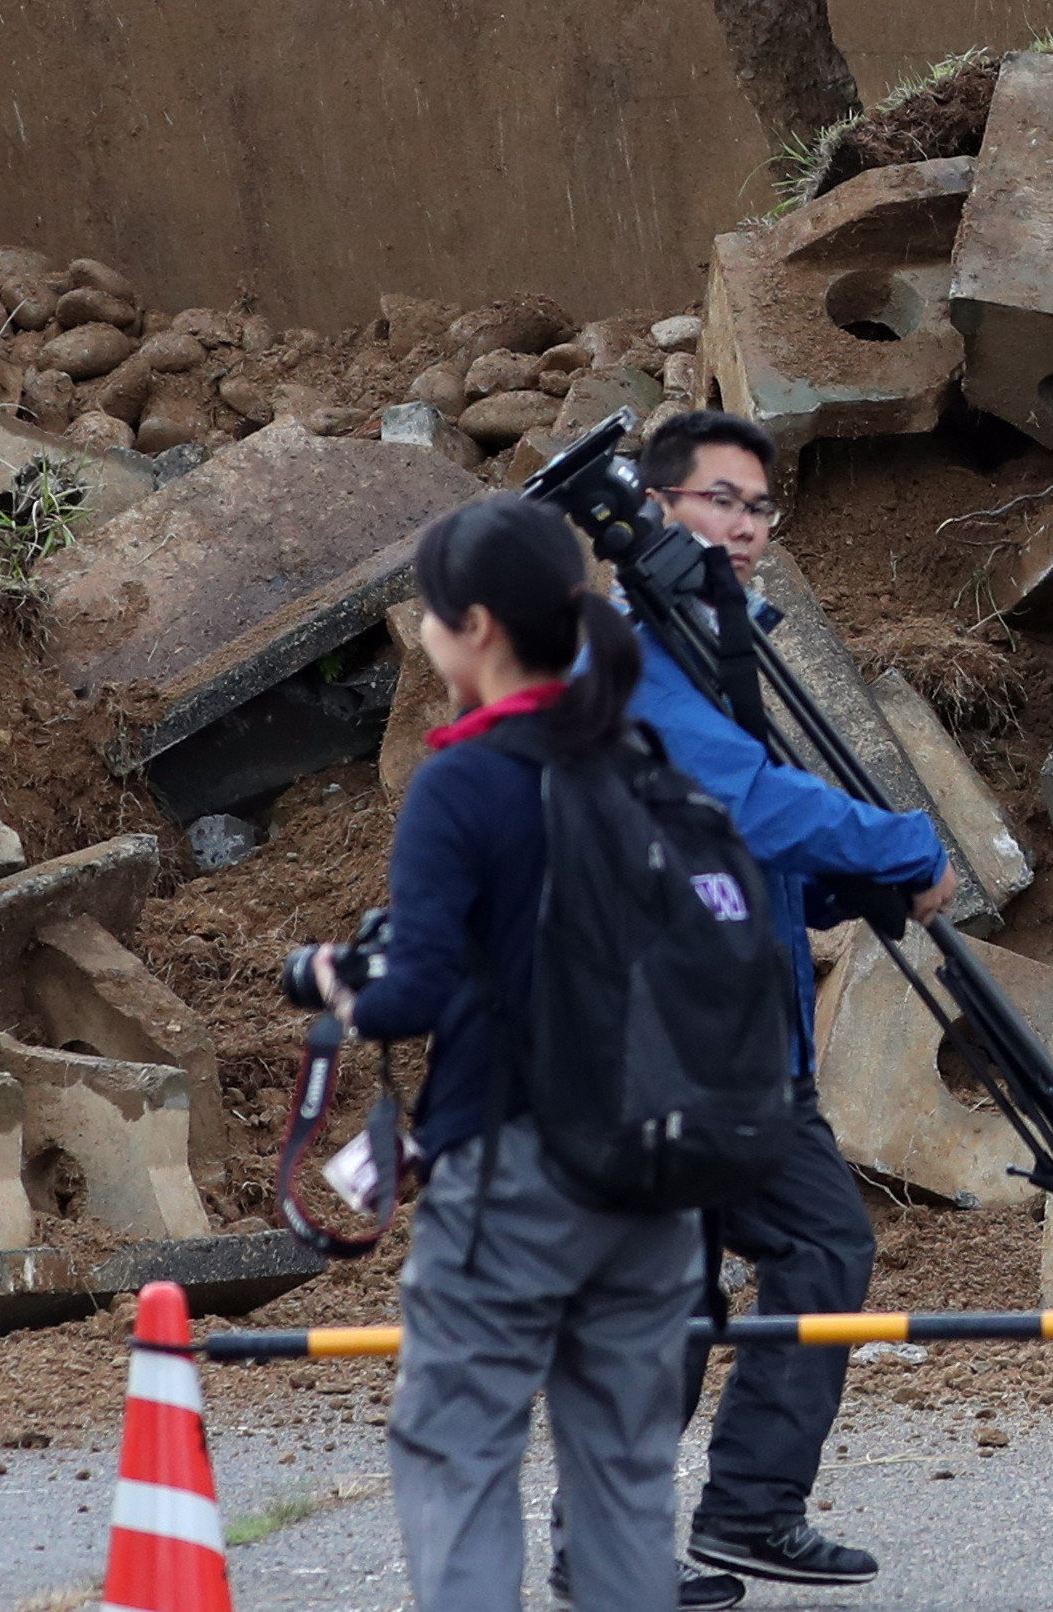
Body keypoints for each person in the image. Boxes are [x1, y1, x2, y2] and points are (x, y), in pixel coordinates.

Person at [331, 498, 701, 1612]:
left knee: (460, 1454)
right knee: (628, 1475)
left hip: (515, 1172)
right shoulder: (641, 756)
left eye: (432, 615)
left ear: (476, 627)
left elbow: (412, 995)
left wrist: (338, 991)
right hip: (660, 1168)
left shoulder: (465, 777)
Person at [620, 408, 951, 1598]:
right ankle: (745, 1515)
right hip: (688, 1044)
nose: (746, 527)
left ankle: (634, 1547)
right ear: (654, 508)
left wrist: (832, 880)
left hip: (708, 1028)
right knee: (818, 1241)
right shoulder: (629, 652)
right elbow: (741, 799)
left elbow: (729, 846)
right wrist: (907, 843)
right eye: (720, 500)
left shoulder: (695, 640)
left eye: (760, 508)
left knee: (672, 1286)